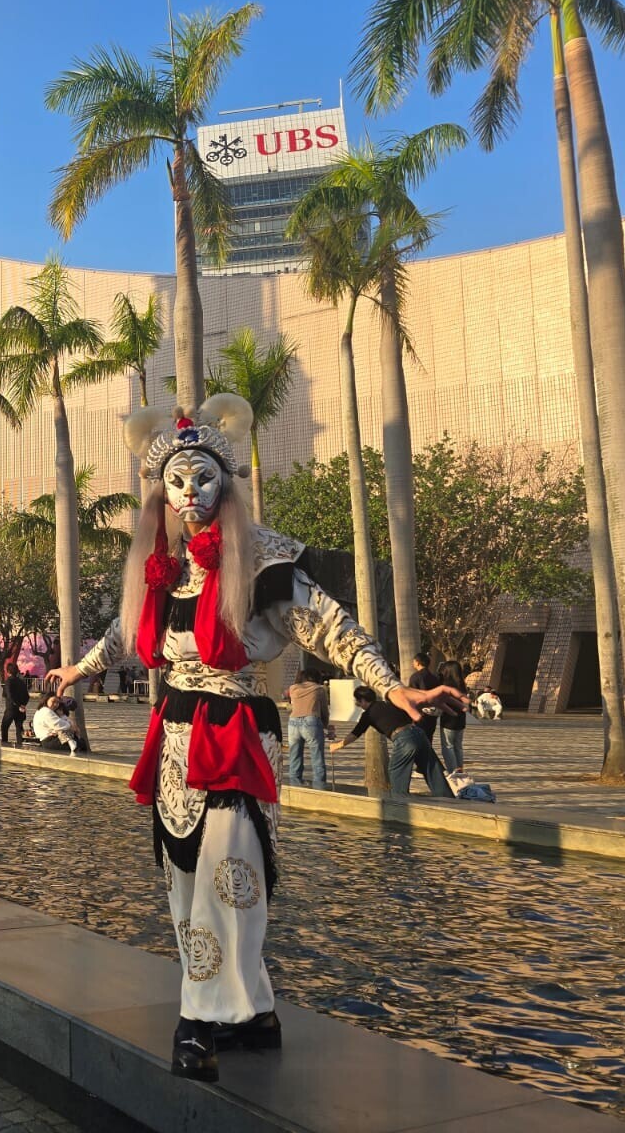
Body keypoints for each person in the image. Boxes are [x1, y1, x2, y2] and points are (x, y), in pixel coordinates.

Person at [43, 395, 462, 1082]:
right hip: (175, 736)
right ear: (161, 491)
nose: (190, 493)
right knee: (186, 880)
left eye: (203, 478)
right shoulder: (159, 564)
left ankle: (198, 1019)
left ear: (226, 481)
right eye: (177, 481)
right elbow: (123, 636)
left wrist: (391, 687)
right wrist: (77, 669)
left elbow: (331, 628)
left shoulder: (264, 560)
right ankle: (254, 1011)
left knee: (230, 876)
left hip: (237, 730)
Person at [333, 686, 454, 797]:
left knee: (396, 770)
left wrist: (338, 745)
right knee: (431, 768)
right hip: (419, 733)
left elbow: (355, 734)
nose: (358, 705)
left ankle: (399, 803)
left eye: (358, 702)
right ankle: (447, 799)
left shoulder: (368, 714)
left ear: (363, 700)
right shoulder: (389, 703)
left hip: (404, 738)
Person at [283, 671, 329, 790]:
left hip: (293, 722)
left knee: (294, 755)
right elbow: (324, 710)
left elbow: (290, 703)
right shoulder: (319, 689)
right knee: (317, 755)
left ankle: (295, 784)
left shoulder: (293, 688)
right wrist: (326, 725)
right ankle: (319, 786)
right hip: (311, 721)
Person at [437, 661, 468, 770]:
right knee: (458, 747)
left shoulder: (446, 686)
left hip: (448, 720)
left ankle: (453, 770)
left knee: (448, 746)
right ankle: (459, 769)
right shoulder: (462, 686)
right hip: (461, 719)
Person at [408, 654, 440, 745]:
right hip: (432, 713)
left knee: (418, 740)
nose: (413, 663)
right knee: (429, 738)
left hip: (420, 713)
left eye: (414, 661)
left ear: (418, 663)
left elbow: (412, 696)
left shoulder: (415, 677)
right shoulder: (434, 677)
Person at [0, 660, 30, 748]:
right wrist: (23, 705)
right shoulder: (21, 682)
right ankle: (20, 745)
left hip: (11, 708)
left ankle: (5, 744)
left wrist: (17, 705)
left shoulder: (9, 681)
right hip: (21, 709)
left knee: (4, 726)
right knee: (19, 728)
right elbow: (27, 696)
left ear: (8, 671)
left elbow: (9, 696)